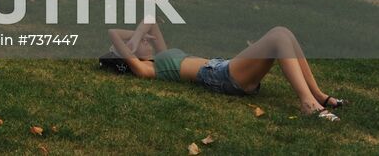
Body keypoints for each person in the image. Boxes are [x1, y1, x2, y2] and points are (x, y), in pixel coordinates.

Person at [104, 19, 344, 121]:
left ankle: (318, 95)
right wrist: (132, 45)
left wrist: (135, 38)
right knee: (279, 35)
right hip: (219, 76)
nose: (146, 41)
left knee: (285, 34)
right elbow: (112, 33)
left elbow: (150, 21)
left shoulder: (161, 55)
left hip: (223, 68)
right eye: (137, 45)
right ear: (128, 56)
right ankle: (307, 104)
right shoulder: (146, 70)